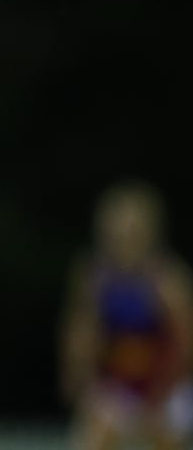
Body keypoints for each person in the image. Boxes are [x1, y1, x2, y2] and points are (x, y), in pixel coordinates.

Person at [58, 179, 193, 450]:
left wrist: (156, 399)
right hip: (119, 387)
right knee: (92, 435)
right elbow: (80, 338)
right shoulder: (95, 279)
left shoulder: (168, 280)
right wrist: (79, 380)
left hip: (168, 389)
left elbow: (185, 347)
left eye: (131, 233)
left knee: (167, 435)